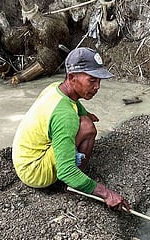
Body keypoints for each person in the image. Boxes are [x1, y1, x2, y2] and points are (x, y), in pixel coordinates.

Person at [12, 47, 129, 211]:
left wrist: (84, 112)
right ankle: (73, 183)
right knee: (87, 127)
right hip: (35, 172)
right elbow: (65, 171)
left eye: (99, 81)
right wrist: (107, 194)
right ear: (72, 78)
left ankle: (74, 172)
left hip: (22, 161)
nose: (97, 87)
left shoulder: (55, 87)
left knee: (84, 120)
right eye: (92, 81)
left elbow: (73, 102)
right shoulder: (65, 117)